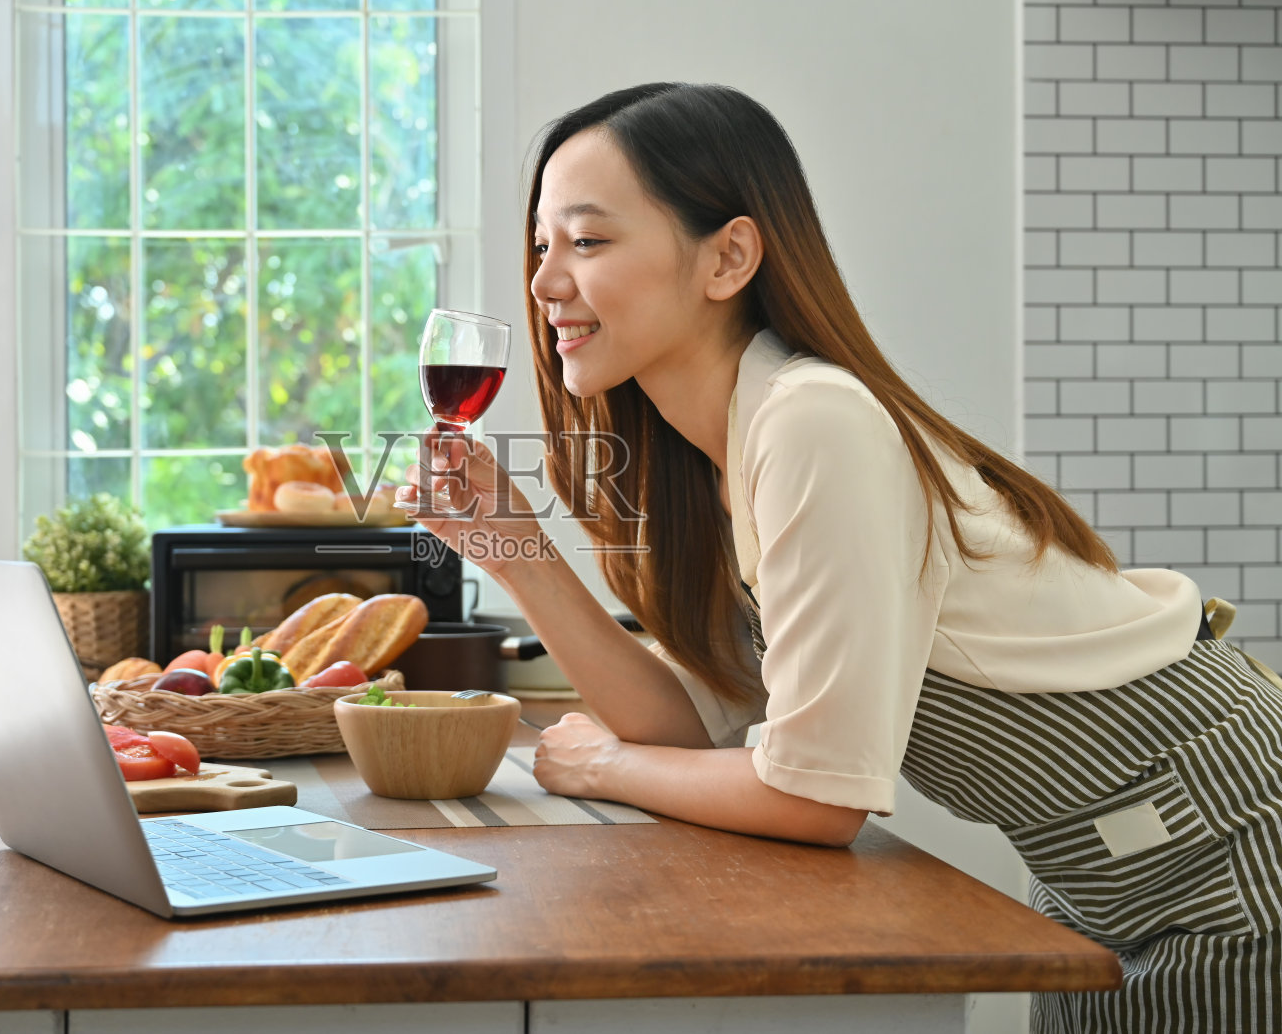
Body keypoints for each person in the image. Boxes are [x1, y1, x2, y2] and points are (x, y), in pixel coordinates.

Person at [395, 82, 1282, 1032]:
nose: (544, 283)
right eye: (542, 246)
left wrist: (604, 766)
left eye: (588, 240)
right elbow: (696, 727)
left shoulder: (813, 420)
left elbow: (814, 795)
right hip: (1104, 877)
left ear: (728, 257)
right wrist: (518, 552)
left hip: (1228, 854)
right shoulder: (725, 450)